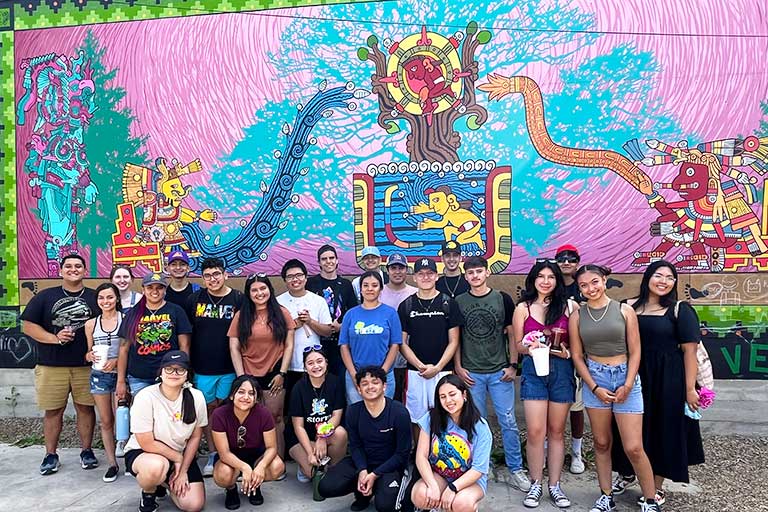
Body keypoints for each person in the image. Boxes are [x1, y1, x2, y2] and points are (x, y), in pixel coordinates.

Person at [610, 261, 704, 506]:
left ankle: (656, 486)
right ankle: (627, 472)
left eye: (670, 277)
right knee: (627, 429)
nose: (663, 281)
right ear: (647, 277)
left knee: (663, 430)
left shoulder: (680, 310)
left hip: (667, 379)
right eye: (658, 275)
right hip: (631, 375)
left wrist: (689, 389)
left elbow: (690, 352)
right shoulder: (627, 306)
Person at [569, 264, 661, 512]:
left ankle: (650, 500)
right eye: (584, 285)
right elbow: (577, 356)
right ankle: (606, 496)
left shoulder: (624, 310)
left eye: (595, 282)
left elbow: (636, 350)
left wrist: (629, 383)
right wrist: (594, 386)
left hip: (625, 376)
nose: (591, 288)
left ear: (605, 280)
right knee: (601, 442)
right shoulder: (577, 316)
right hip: (595, 378)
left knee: (634, 446)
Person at [454, 256, 529, 493]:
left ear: (487, 273)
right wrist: (458, 366)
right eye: (471, 273)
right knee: (476, 423)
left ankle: (516, 468)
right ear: (465, 276)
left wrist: (513, 364)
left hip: (499, 371)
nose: (475, 276)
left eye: (479, 271)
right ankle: (481, 467)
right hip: (471, 372)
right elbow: (455, 337)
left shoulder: (502, 299)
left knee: (508, 421)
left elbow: (511, 335)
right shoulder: (459, 301)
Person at [21, 253, 99, 475]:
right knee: (54, 411)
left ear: (85, 271)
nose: (73, 269)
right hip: (51, 365)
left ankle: (86, 450)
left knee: (86, 408)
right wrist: (55, 338)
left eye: (78, 266)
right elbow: (28, 326)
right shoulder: (45, 297)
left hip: (86, 366)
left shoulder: (95, 297)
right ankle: (50, 454)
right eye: (68, 266)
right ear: (60, 270)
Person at [512, 259, 577, 507]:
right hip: (533, 370)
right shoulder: (523, 308)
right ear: (533, 280)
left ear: (557, 280)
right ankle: (536, 483)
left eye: (551, 277)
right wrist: (530, 346)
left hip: (561, 371)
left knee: (557, 431)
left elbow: (576, 345)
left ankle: (555, 485)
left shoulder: (569, 307)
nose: (546, 281)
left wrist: (568, 353)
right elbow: (517, 345)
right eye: (541, 276)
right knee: (535, 431)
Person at [318, 366, 414, 512]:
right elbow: (355, 446)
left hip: (391, 467)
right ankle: (362, 494)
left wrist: (374, 475)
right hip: (365, 462)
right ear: (358, 389)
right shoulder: (353, 411)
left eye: (375, 382)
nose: (370, 387)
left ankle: (379, 487)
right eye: (364, 383)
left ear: (384, 386)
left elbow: (402, 454)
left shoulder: (399, 412)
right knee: (325, 487)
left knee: (386, 506)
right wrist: (363, 470)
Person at [123, 350, 207, 512]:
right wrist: (177, 459)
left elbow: (196, 437)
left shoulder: (196, 397)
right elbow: (146, 442)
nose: (174, 373)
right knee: (156, 467)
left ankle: (165, 482)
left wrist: (182, 471)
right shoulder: (145, 396)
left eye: (180, 369)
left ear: (187, 374)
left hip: (180, 454)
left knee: (194, 505)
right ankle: (149, 493)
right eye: (169, 368)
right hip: (145, 453)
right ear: (160, 372)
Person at [185, 257, 243, 476]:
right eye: (208, 275)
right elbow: (187, 336)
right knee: (209, 411)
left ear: (225, 274)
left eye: (217, 274)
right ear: (203, 278)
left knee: (230, 411)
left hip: (229, 367)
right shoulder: (194, 299)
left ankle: (232, 454)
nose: (213, 279)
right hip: (203, 369)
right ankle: (213, 453)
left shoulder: (238, 298)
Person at [228, 274, 295, 458]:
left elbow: (289, 345)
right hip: (248, 373)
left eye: (263, 288)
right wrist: (242, 378)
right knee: (249, 417)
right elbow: (233, 346)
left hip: (275, 372)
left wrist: (282, 372)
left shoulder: (282, 313)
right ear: (248, 293)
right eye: (254, 290)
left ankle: (277, 461)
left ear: (270, 290)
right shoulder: (241, 316)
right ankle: (252, 461)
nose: (259, 293)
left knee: (275, 417)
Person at [398, 258, 464, 437]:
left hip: (444, 372)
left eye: (430, 273)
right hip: (415, 373)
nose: (425, 277)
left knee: (448, 413)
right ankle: (420, 458)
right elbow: (402, 342)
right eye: (421, 273)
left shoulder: (448, 303)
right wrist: (420, 365)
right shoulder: (406, 305)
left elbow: (454, 341)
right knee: (417, 417)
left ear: (436, 276)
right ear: (414, 278)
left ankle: (447, 457)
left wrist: (438, 367)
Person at [411, 374, 492, 512]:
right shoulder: (431, 418)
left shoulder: (480, 427)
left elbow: (478, 469)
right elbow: (421, 456)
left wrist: (452, 488)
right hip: (441, 474)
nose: (448, 400)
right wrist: (433, 486)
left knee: (460, 504)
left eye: (452, 394)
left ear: (464, 395)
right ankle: (435, 507)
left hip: (469, 479)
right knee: (420, 495)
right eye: (443, 397)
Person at [211, 375, 286, 510]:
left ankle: (254, 485)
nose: (246, 397)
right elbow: (224, 453)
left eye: (251, 393)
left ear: (256, 399)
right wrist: (245, 468)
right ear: (232, 395)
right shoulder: (219, 414)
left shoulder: (264, 414)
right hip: (231, 458)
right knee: (223, 474)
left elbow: (271, 448)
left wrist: (261, 467)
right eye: (241, 392)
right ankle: (231, 488)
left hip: (256, 455)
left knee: (277, 466)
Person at [116, 273, 193, 400]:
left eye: (159, 287)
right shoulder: (133, 314)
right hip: (139, 375)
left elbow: (184, 346)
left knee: (167, 414)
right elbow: (124, 349)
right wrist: (120, 381)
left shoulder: (176, 311)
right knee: (143, 415)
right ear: (143, 290)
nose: (154, 291)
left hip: (169, 374)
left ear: (165, 290)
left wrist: (184, 372)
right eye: (150, 287)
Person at [288, 346, 347, 485]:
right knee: (313, 474)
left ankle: (331, 468)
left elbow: (336, 416)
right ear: (305, 367)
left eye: (319, 361)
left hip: (323, 434)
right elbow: (298, 427)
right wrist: (309, 452)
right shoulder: (298, 388)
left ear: (326, 362)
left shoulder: (335, 382)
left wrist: (322, 437)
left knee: (341, 433)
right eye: (310, 363)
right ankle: (305, 466)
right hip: (301, 438)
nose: (316, 366)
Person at [339, 271, 401, 403]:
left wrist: (382, 373)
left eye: (374, 285)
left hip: (384, 375)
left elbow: (395, 345)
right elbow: (344, 346)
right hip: (356, 374)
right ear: (360, 289)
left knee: (384, 416)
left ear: (381, 289)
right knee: (357, 416)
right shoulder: (350, 315)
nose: (370, 289)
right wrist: (353, 374)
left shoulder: (390, 313)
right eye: (366, 285)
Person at [84, 283, 124, 482]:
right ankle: (111, 464)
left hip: (122, 374)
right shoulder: (91, 324)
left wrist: (116, 361)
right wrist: (90, 355)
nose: (105, 301)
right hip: (99, 375)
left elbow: (131, 349)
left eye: (109, 297)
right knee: (106, 421)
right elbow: (88, 352)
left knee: (123, 418)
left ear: (117, 298)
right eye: (101, 298)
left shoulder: (125, 319)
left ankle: (131, 459)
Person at [277, 259, 333, 400]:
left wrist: (310, 321)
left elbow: (327, 331)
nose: (295, 279)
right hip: (287, 365)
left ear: (306, 277)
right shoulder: (278, 302)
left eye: (299, 275)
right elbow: (273, 334)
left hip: (314, 365)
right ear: (284, 280)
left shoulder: (318, 301)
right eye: (290, 277)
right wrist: (294, 324)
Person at [555, 244, 586, 474]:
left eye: (571, 258)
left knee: (576, 406)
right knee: (549, 406)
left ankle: (577, 451)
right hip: (552, 355)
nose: (566, 262)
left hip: (577, 356)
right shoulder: (550, 284)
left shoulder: (584, 286)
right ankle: (548, 448)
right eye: (561, 258)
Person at [306, 244, 359, 376]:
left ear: (337, 260)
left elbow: (353, 312)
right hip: (316, 341)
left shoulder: (346, 284)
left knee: (339, 381)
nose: (328, 261)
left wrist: (341, 326)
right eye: (324, 259)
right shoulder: (311, 283)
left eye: (331, 258)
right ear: (319, 262)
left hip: (339, 343)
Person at [379, 252, 416, 403]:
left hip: (410, 358)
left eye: (401, 268)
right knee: (388, 401)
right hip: (385, 358)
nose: (397, 272)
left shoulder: (415, 292)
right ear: (387, 271)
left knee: (408, 401)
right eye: (393, 268)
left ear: (406, 270)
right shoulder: (379, 293)